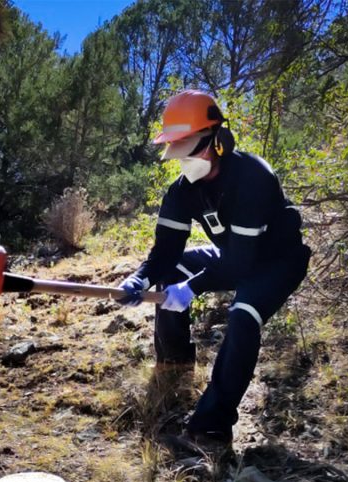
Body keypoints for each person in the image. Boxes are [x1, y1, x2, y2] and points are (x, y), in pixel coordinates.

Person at [118, 90, 311, 446]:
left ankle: (212, 425)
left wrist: (191, 288)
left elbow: (240, 265)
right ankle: (174, 365)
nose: (183, 158)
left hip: (277, 261)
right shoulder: (182, 191)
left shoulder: (253, 177)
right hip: (234, 255)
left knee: (243, 315)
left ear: (218, 140)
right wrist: (139, 278)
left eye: (189, 147)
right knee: (173, 268)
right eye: (176, 148)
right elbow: (166, 251)